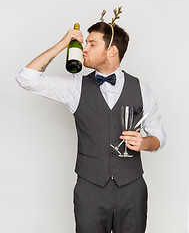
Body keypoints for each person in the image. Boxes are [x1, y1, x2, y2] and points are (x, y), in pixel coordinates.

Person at [16, 19, 166, 233]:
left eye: (92, 44)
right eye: (85, 43)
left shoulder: (141, 88)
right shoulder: (75, 88)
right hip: (90, 190)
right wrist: (62, 43)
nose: (84, 49)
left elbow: (159, 138)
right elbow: (26, 78)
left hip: (132, 189)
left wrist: (143, 143)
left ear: (112, 50)